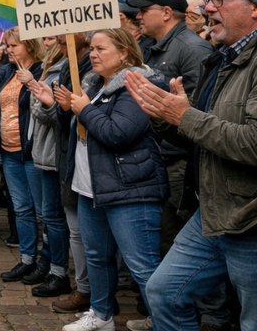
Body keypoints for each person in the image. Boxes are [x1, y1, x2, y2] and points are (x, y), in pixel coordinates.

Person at [129, 0, 257, 331]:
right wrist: (167, 116)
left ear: (256, 7)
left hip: (256, 217)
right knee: (164, 293)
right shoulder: (226, 54)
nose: (209, 8)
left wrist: (184, 117)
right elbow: (204, 132)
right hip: (215, 209)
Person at [51, 28, 168, 331]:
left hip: (131, 189)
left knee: (142, 265)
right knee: (97, 257)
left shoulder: (139, 85)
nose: (92, 54)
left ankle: (164, 321)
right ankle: (101, 315)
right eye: (91, 48)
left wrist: (85, 109)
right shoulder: (93, 85)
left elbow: (118, 133)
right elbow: (79, 128)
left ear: (125, 53)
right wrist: (68, 109)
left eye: (101, 48)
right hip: (93, 188)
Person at [126, 0, 214, 255]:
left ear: (166, 13)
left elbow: (201, 109)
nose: (138, 16)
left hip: (179, 160)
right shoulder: (154, 47)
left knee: (177, 238)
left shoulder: (192, 49)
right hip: (161, 155)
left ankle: (189, 298)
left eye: (144, 10)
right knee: (162, 233)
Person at [0, 28, 48, 285]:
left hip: (31, 152)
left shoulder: (41, 69)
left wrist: (30, 81)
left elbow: (43, 104)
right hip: (8, 152)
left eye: (13, 46)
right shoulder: (6, 70)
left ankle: (49, 263)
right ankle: (27, 259)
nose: (8, 50)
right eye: (7, 45)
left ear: (29, 45)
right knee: (21, 209)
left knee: (43, 211)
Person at [32, 33, 95, 315]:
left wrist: (73, 109)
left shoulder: (92, 69)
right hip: (69, 156)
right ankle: (87, 291)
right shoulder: (71, 63)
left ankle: (98, 294)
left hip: (89, 159)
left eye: (100, 49)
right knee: (77, 233)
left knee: (91, 235)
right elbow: (61, 116)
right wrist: (54, 104)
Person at [22, 36, 73, 299]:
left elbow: (49, 114)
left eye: (55, 37)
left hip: (54, 153)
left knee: (55, 217)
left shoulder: (67, 67)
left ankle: (58, 272)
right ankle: (50, 265)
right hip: (42, 151)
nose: (51, 40)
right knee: (49, 216)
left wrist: (43, 99)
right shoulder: (49, 66)